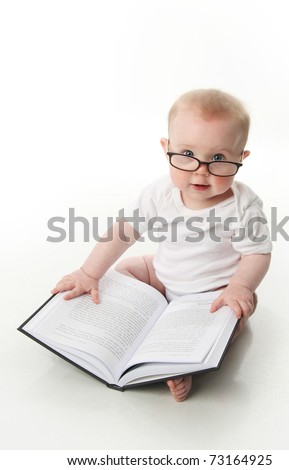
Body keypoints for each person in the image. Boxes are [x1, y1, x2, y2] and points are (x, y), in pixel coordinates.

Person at [52, 89, 272, 402]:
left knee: (232, 318)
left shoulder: (242, 206)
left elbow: (257, 253)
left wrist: (240, 286)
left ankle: (184, 365)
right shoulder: (160, 193)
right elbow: (124, 230)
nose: (201, 169)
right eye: (187, 154)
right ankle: (136, 312)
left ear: (241, 158)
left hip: (211, 294)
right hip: (164, 275)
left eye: (219, 159)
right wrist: (89, 272)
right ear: (166, 148)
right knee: (126, 267)